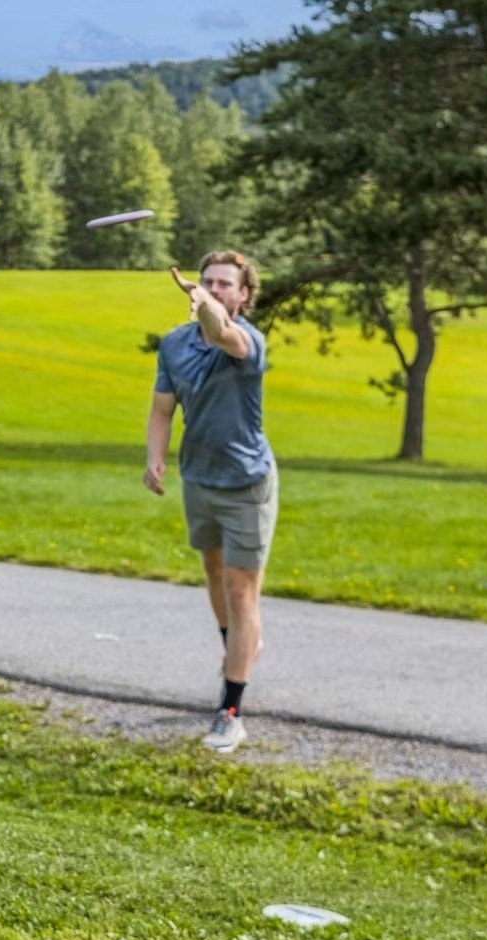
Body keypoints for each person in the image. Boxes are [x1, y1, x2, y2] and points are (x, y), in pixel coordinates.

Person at [143, 250, 276, 754]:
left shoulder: (248, 342)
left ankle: (231, 709)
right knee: (216, 578)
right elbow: (162, 409)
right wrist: (155, 458)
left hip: (247, 484)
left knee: (242, 594)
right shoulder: (175, 344)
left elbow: (222, 333)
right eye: (208, 281)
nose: (216, 288)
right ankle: (242, 649)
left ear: (244, 295)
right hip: (198, 478)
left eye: (226, 284)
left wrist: (205, 305)